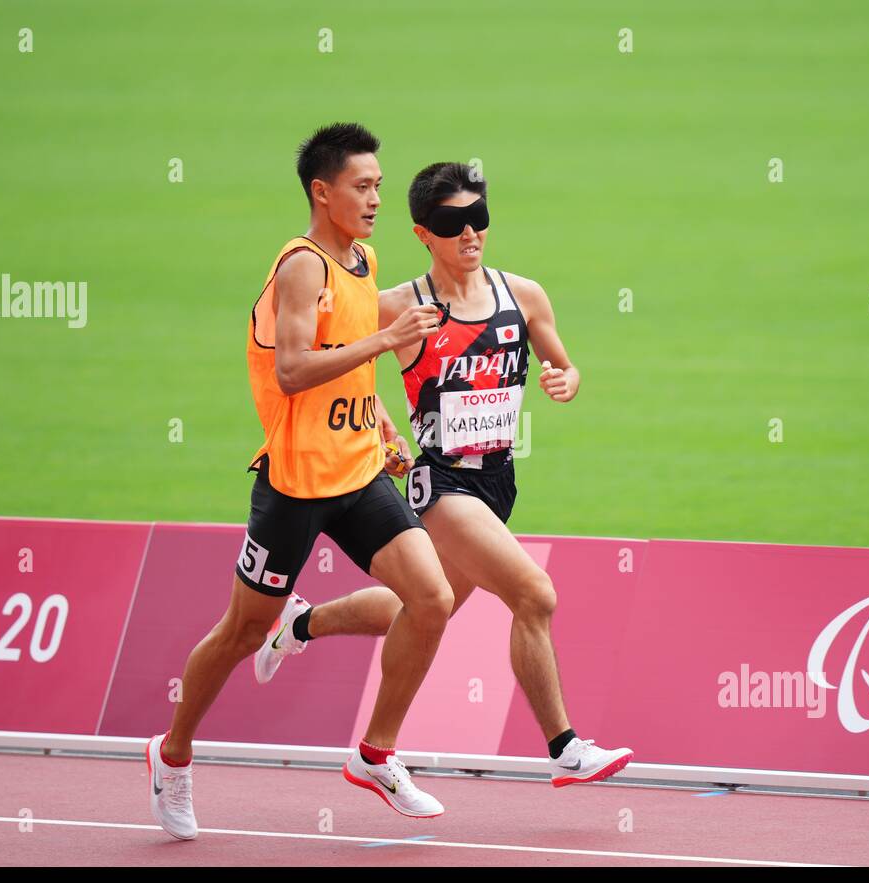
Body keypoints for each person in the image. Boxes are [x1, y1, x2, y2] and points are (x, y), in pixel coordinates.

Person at [255, 162, 633, 788]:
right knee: (534, 595)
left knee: (424, 608)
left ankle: (299, 623)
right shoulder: (400, 307)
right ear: (423, 233)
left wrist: (565, 379)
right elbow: (337, 366)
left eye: (478, 218)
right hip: (442, 485)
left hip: (499, 482)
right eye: (453, 223)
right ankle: (565, 748)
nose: (470, 234)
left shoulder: (524, 295)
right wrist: (378, 424)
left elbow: (563, 364)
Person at [146, 124, 457, 839]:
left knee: (432, 599)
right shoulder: (301, 265)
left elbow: (346, 359)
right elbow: (292, 368)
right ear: (323, 192)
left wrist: (378, 418)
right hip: (293, 484)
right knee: (238, 633)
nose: (376, 197)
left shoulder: (363, 258)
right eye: (363, 186)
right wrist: (386, 340)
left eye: (379, 185)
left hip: (355, 470)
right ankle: (172, 755)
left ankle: (376, 753)